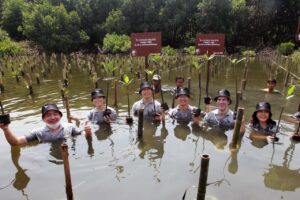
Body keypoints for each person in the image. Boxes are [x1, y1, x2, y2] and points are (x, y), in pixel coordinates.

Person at [0, 103, 91, 146]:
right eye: (48, 115)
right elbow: (15, 142)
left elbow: (83, 134)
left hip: (69, 154)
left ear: (60, 115)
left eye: (55, 114)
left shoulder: (70, 127)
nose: (52, 117)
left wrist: (87, 131)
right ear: (43, 119)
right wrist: (6, 129)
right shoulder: (38, 133)